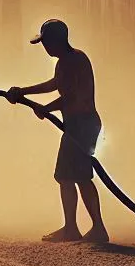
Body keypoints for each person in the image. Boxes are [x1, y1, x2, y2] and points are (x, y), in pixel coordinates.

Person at [7, 18, 109, 244]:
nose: (44, 47)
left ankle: (90, 228)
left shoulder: (75, 60)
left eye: (46, 42)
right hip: (77, 125)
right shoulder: (65, 62)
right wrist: (23, 92)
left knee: (76, 176)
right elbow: (54, 84)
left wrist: (46, 108)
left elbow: (72, 96)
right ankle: (75, 228)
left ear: (55, 41)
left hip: (82, 125)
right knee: (71, 176)